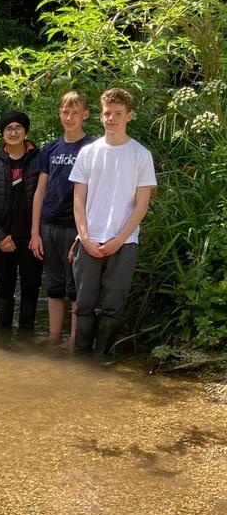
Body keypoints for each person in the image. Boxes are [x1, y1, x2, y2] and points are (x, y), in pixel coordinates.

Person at [69, 87, 157, 355]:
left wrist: (119, 239)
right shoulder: (88, 152)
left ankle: (102, 360)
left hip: (125, 240)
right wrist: (84, 237)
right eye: (107, 113)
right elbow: (78, 201)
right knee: (83, 303)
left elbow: (142, 205)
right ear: (100, 116)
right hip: (89, 240)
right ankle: (81, 361)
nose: (111, 119)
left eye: (118, 114)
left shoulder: (141, 155)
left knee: (113, 304)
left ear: (129, 116)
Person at [29, 91, 93, 342]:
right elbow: (40, 191)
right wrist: (35, 232)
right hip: (49, 226)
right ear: (59, 113)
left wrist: (82, 235)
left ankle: (75, 344)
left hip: (76, 228)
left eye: (75, 112)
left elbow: (94, 195)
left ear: (85, 115)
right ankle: (55, 341)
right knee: (54, 287)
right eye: (65, 112)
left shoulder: (92, 148)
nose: (69, 117)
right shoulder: (50, 149)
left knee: (75, 289)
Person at [0, 111, 42, 330]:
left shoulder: (39, 161)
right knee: (4, 286)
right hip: (3, 238)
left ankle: (27, 335)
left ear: (25, 132)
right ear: (2, 134)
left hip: (32, 238)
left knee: (31, 286)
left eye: (18, 128)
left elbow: (47, 199)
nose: (13, 132)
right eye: (8, 129)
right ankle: (3, 336)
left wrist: (38, 234)